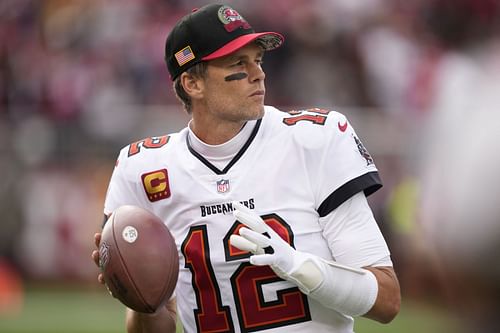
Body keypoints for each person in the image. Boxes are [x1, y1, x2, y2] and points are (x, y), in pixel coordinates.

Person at [91, 4, 400, 332]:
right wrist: (141, 297)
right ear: (192, 84)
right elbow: (157, 323)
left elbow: (386, 299)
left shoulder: (315, 139)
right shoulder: (142, 170)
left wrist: (297, 266)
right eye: (238, 63)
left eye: (258, 60)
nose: (258, 73)